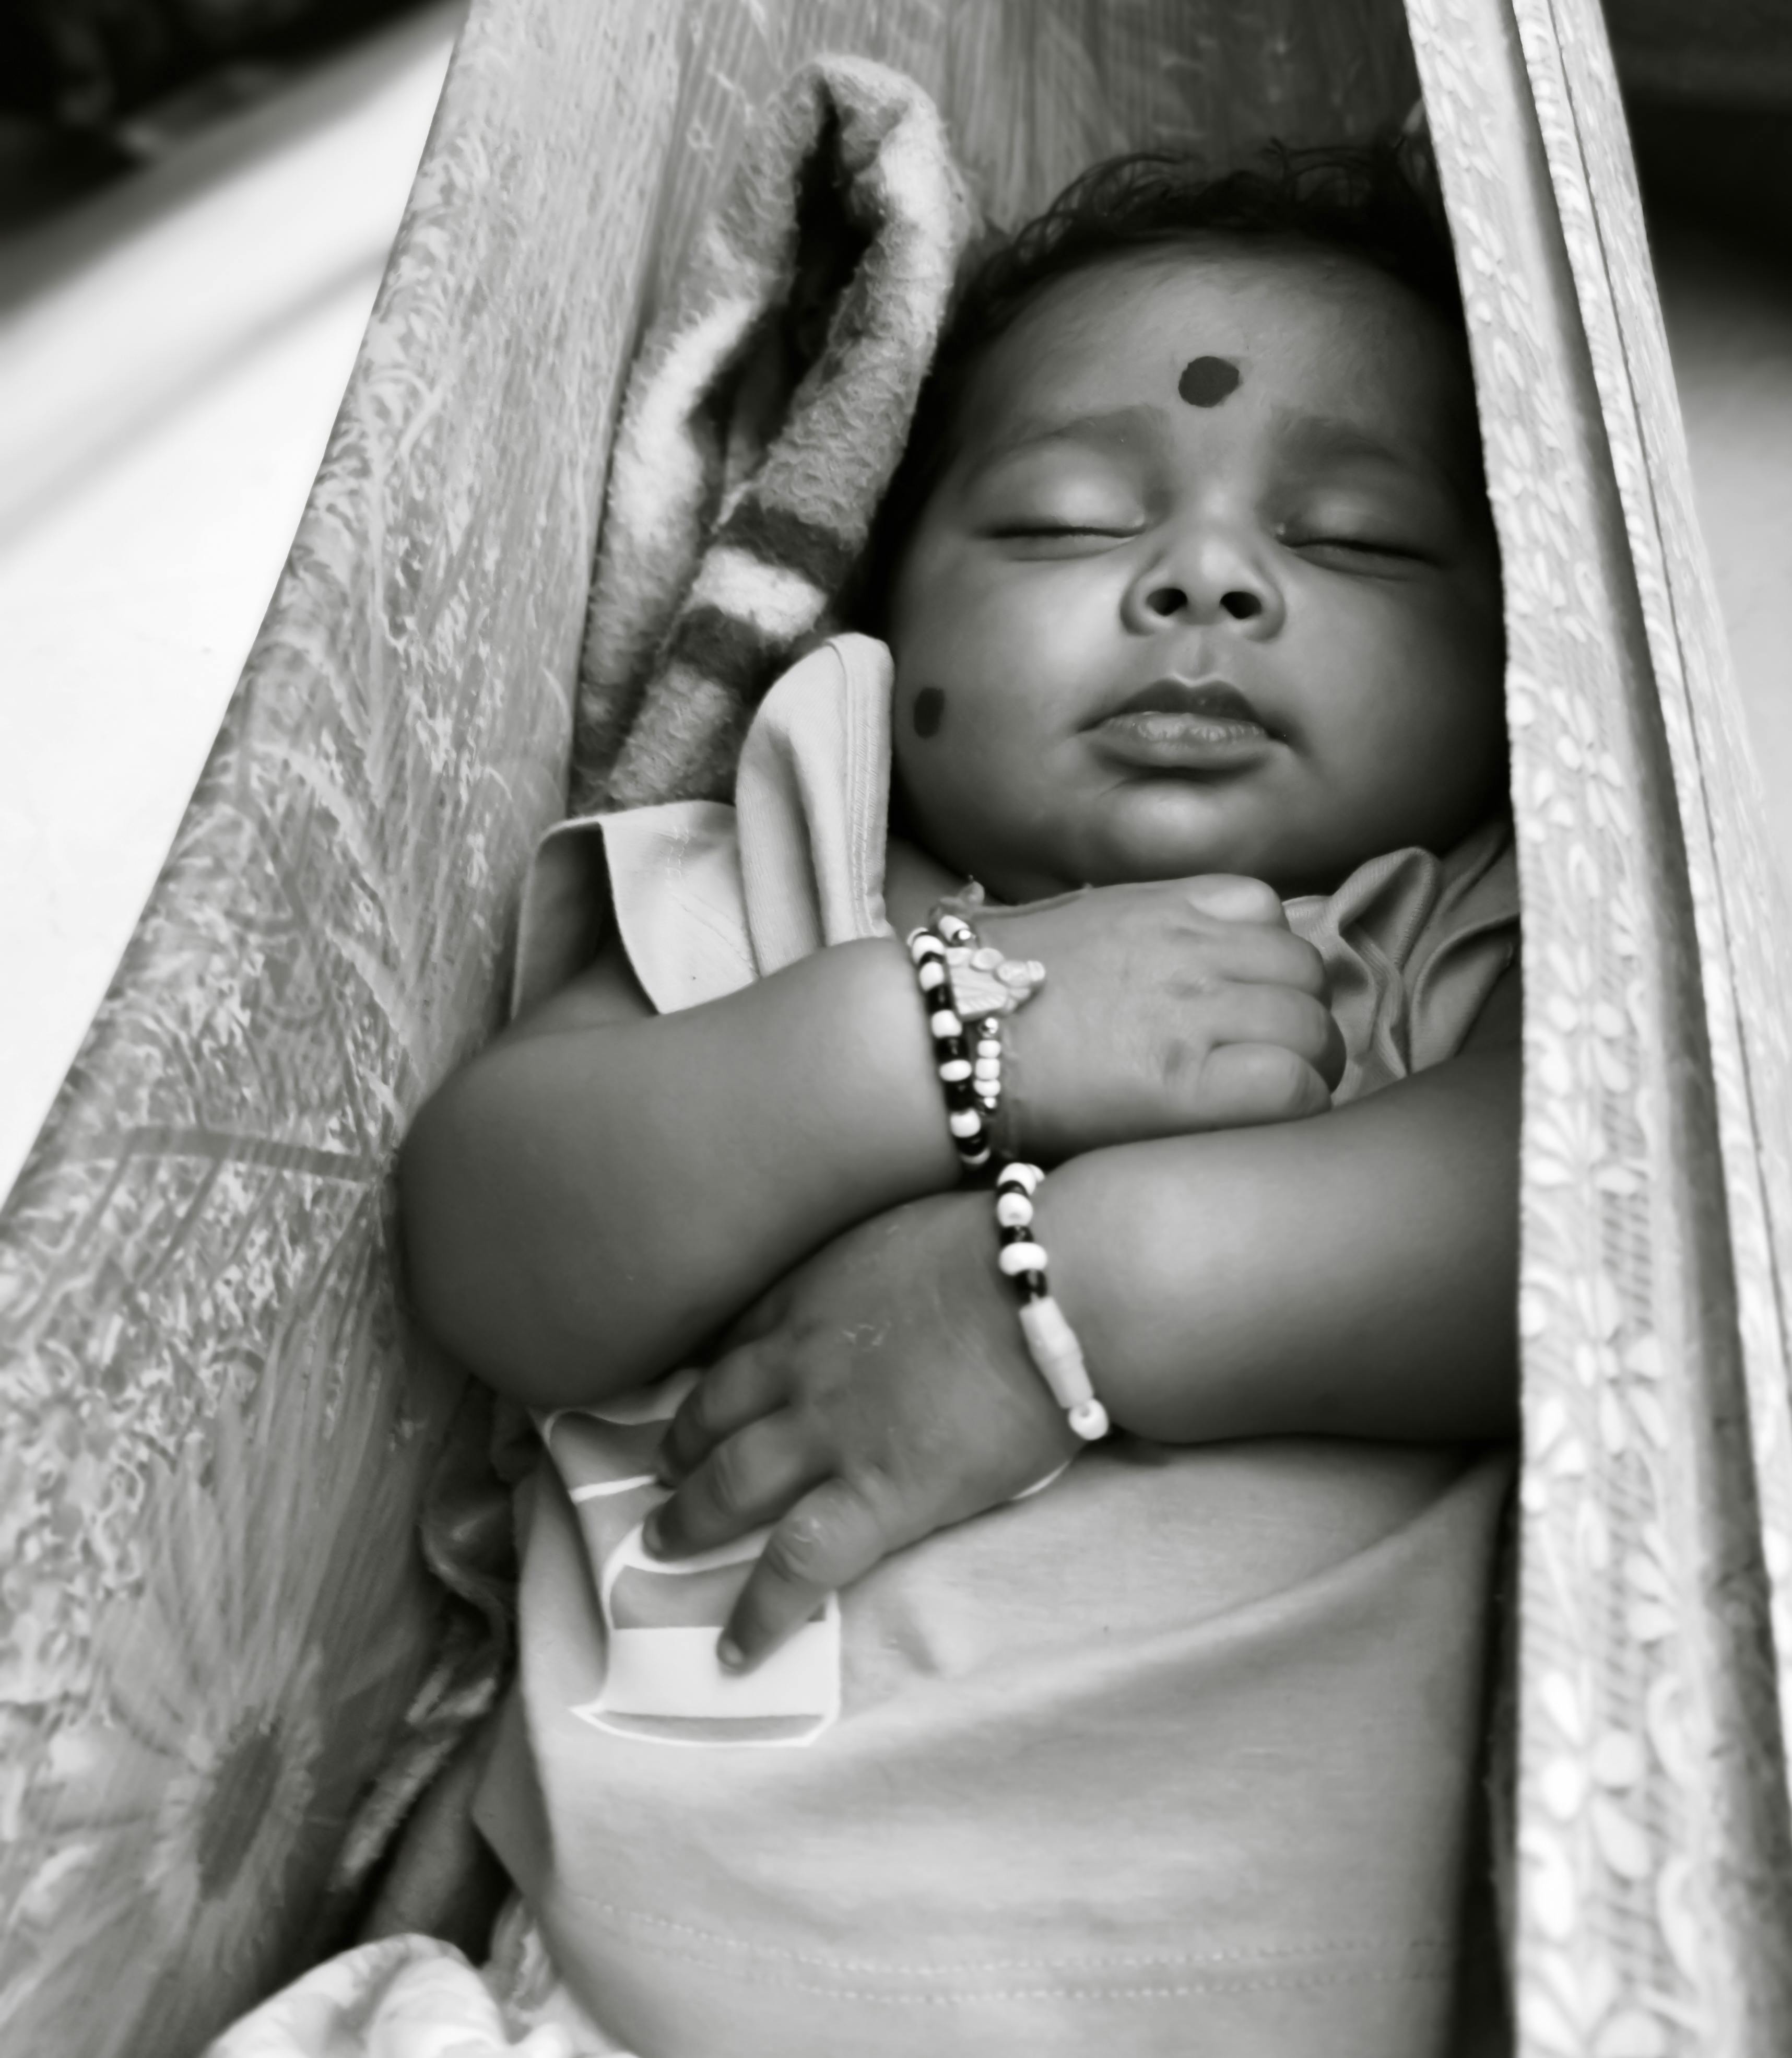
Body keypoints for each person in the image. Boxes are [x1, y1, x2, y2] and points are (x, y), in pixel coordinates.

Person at [397, 145, 1522, 2058]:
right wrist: (921, 1039)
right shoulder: (798, 873)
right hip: (644, 1991)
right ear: (886, 610)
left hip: (1267, 2002)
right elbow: (492, 1248)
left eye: (1360, 544)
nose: (1209, 577)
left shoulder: (1451, 941)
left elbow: (1601, 1235)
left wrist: (1060, 1297)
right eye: (1069, 523)